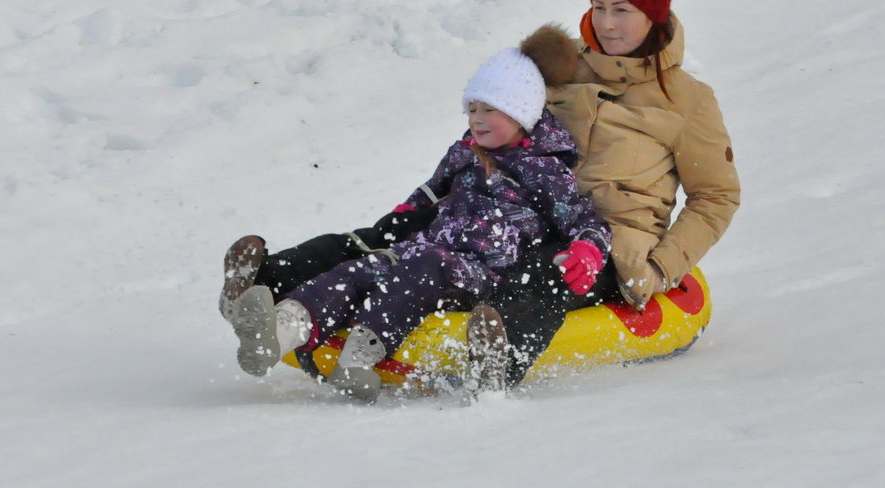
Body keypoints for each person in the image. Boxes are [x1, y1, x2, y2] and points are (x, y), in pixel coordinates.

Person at [220, 0, 740, 392]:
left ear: (655, 14)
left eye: (621, 10)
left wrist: (657, 268)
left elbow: (715, 198)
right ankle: (262, 287)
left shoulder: (688, 102)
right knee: (391, 238)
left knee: (537, 273)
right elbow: (503, 114)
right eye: (599, 7)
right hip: (507, 208)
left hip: (605, 244)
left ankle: (498, 353)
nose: (606, 23)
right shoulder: (560, 68)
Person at [226, 32, 613, 402]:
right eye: (472, 108)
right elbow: (432, 190)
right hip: (429, 250)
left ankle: (358, 358)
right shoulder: (465, 151)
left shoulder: (543, 169)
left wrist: (588, 250)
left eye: (490, 110)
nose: (476, 119)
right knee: (360, 269)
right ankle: (279, 331)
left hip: (481, 272)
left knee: (421, 265)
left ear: (521, 113)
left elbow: (584, 219)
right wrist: (406, 214)